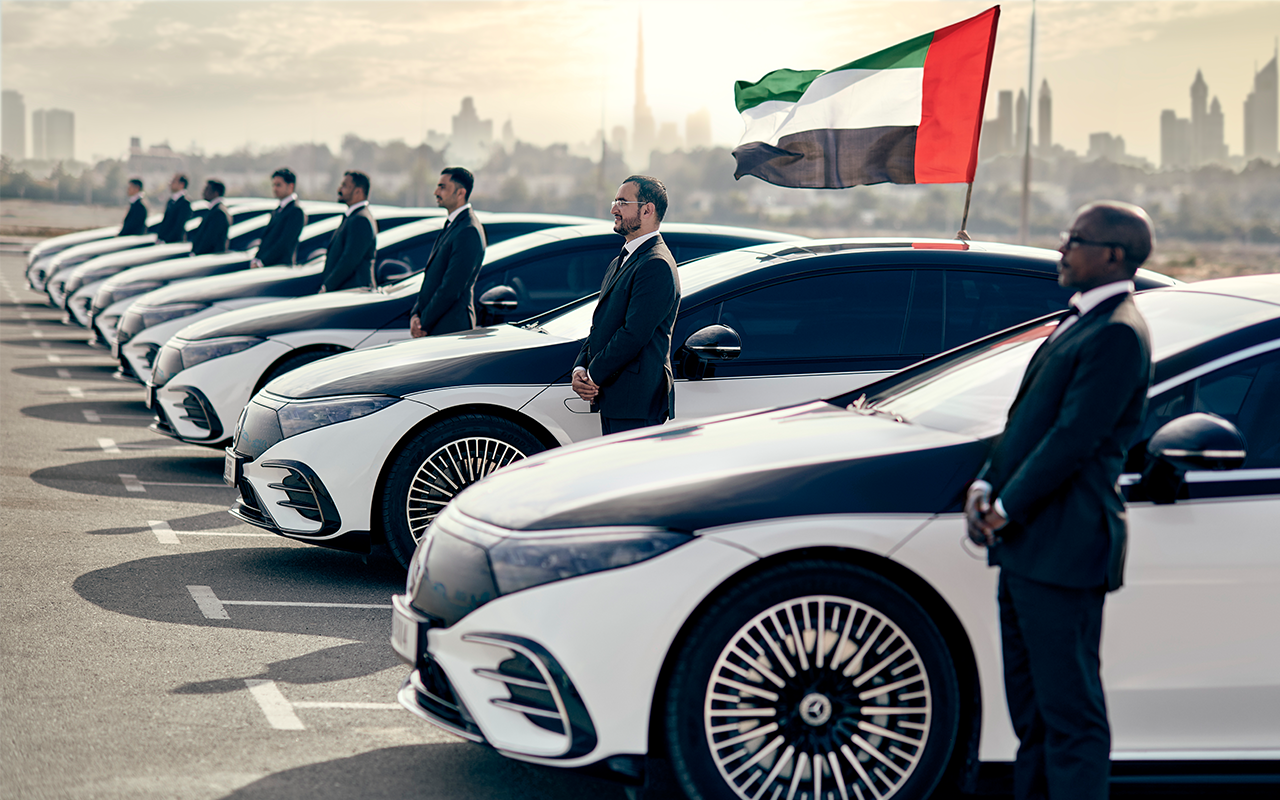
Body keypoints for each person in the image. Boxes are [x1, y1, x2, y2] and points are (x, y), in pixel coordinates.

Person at [965, 201, 1155, 800]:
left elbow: (1074, 438)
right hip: (1027, 546)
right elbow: (1026, 422)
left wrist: (1006, 505)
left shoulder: (1120, 332)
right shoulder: (1080, 320)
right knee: (1034, 714)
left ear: (1113, 255)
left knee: (1071, 715)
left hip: (1066, 545)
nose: (1062, 249)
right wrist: (985, 483)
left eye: (1076, 239)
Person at [571, 175, 680, 435]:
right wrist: (580, 367)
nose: (613, 209)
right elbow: (602, 324)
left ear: (647, 209)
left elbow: (633, 334)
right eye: (615, 201)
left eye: (622, 202)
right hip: (615, 397)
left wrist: (593, 376)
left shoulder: (656, 264)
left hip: (636, 402)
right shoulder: (623, 258)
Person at [410, 167, 486, 337]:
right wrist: (416, 314)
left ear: (461, 193)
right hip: (437, 325)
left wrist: (424, 322)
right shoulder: (454, 224)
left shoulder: (468, 230)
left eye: (442, 187)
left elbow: (451, 287)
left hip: (452, 328)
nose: (436, 192)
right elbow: (431, 278)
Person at [319, 170, 377, 293]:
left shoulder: (361, 219)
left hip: (353, 292)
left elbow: (349, 261)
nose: (340, 189)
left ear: (358, 191)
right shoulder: (354, 216)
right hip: (347, 291)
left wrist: (327, 287)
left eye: (345, 185)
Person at [251, 168, 307, 268]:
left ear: (290, 186)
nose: (275, 188)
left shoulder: (295, 211)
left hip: (280, 268)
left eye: (279, 185)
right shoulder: (279, 209)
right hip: (268, 266)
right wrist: (257, 258)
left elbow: (284, 243)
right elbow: (267, 239)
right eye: (274, 185)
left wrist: (262, 262)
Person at [189, 179, 232, 255]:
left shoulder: (219, 212)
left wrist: (198, 253)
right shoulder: (215, 210)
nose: (203, 192)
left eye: (207, 189)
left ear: (216, 193)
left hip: (209, 257)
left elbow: (209, 239)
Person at [154, 173, 191, 244]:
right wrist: (160, 237)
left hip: (175, 243)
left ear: (182, 185)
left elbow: (179, 226)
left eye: (173, 181)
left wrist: (167, 240)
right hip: (164, 242)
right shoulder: (170, 201)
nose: (170, 184)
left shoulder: (185, 203)